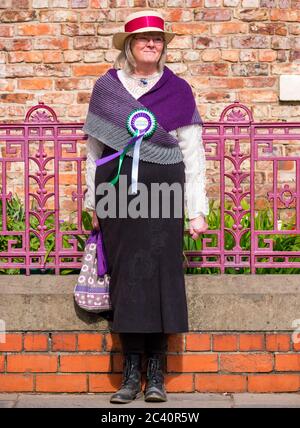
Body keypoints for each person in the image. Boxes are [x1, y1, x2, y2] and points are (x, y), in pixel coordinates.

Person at [82, 10, 209, 404]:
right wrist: (92, 200)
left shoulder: (179, 90)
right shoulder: (107, 89)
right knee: (126, 278)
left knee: (161, 278)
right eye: (142, 39)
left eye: (157, 39)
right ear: (129, 47)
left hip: (165, 191)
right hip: (116, 191)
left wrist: (196, 209)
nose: (151, 44)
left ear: (163, 46)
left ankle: (156, 371)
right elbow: (94, 150)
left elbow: (193, 152)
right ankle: (129, 370)